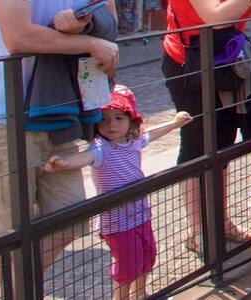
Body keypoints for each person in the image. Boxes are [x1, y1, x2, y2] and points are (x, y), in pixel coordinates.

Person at [0, 0, 119, 295]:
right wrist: (89, 42)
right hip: (3, 114)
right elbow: (18, 37)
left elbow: (109, 19)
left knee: (68, 215)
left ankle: (14, 293)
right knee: (9, 227)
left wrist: (87, 25)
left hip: (59, 110)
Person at [43, 86, 192, 300]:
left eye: (118, 118)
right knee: (127, 264)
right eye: (104, 119)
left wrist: (175, 124)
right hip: (117, 222)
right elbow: (84, 158)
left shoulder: (133, 142)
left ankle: (140, 292)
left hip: (141, 214)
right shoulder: (101, 149)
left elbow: (152, 134)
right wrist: (64, 163)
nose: (111, 125)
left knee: (147, 255)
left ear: (131, 120)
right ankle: (120, 297)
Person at [163, 0, 251, 251]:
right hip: (189, 63)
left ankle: (221, 222)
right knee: (197, 143)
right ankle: (198, 231)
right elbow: (215, 17)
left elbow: (245, 11)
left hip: (222, 59)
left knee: (223, 140)